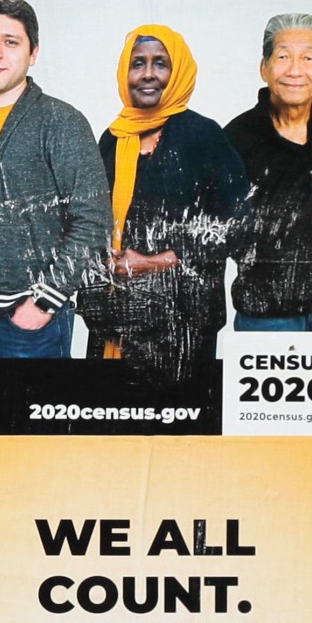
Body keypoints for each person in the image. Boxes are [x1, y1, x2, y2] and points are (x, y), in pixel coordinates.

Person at [0, 0, 112, 359]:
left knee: (31, 415)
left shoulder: (60, 122)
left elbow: (94, 220)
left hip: (28, 317)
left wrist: (45, 302)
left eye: (10, 42)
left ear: (33, 53)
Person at [91, 26, 251, 383]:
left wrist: (154, 262)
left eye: (160, 64)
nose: (147, 74)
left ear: (177, 72)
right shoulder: (113, 139)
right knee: (113, 421)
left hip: (183, 322)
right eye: (138, 64)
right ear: (124, 72)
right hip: (117, 314)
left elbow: (238, 222)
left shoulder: (203, 136)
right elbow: (90, 220)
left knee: (180, 427)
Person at [225, 14, 312, 356]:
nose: (295, 70)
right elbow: (222, 228)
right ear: (264, 67)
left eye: (308, 58)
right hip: (267, 314)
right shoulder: (237, 138)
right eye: (283, 57)